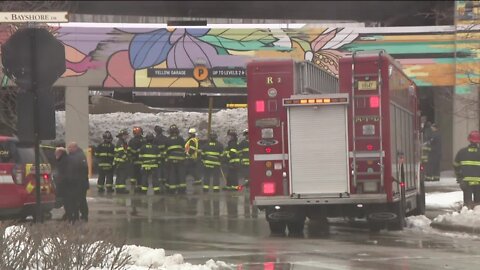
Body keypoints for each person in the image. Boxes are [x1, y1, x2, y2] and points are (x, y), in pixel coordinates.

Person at [454, 130, 480, 209]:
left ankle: (467, 215)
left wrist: (460, 178)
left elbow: (456, 166)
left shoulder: (462, 152)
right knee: (478, 205)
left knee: (467, 205)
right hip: (479, 183)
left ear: (469, 139)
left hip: (466, 182)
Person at [65, 142, 89, 223]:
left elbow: (83, 170)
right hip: (74, 182)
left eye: (70, 147)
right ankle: (75, 215)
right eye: (68, 148)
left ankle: (84, 215)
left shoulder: (80, 156)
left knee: (81, 199)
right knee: (74, 199)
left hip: (81, 183)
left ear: (75, 147)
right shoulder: (71, 156)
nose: (69, 149)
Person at [165, 124, 186, 194]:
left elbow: (166, 151)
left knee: (172, 174)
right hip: (181, 160)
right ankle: (182, 188)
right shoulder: (181, 139)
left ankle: (172, 189)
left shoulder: (167, 139)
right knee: (181, 174)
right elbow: (184, 149)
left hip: (171, 160)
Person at [128, 126, 145, 193]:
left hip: (134, 161)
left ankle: (135, 187)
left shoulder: (132, 141)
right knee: (139, 175)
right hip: (141, 161)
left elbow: (129, 151)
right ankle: (139, 187)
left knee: (134, 174)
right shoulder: (144, 140)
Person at [53, 147, 68, 218]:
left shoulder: (63, 160)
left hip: (64, 184)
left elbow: (62, 172)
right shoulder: (61, 160)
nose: (55, 154)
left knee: (65, 199)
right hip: (62, 183)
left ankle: (68, 213)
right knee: (65, 199)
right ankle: (68, 213)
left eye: (56, 153)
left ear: (60, 153)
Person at [114, 129, 130, 194]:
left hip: (119, 162)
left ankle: (118, 188)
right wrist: (126, 158)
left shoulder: (122, 142)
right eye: (125, 135)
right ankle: (121, 189)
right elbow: (121, 153)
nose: (127, 136)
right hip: (121, 162)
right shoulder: (121, 143)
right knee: (122, 176)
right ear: (122, 135)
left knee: (120, 176)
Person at [153, 125, 168, 191]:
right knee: (164, 170)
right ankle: (164, 181)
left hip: (158, 158)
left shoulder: (155, 139)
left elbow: (154, 148)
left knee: (158, 171)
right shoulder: (165, 138)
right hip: (165, 157)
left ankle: (160, 182)